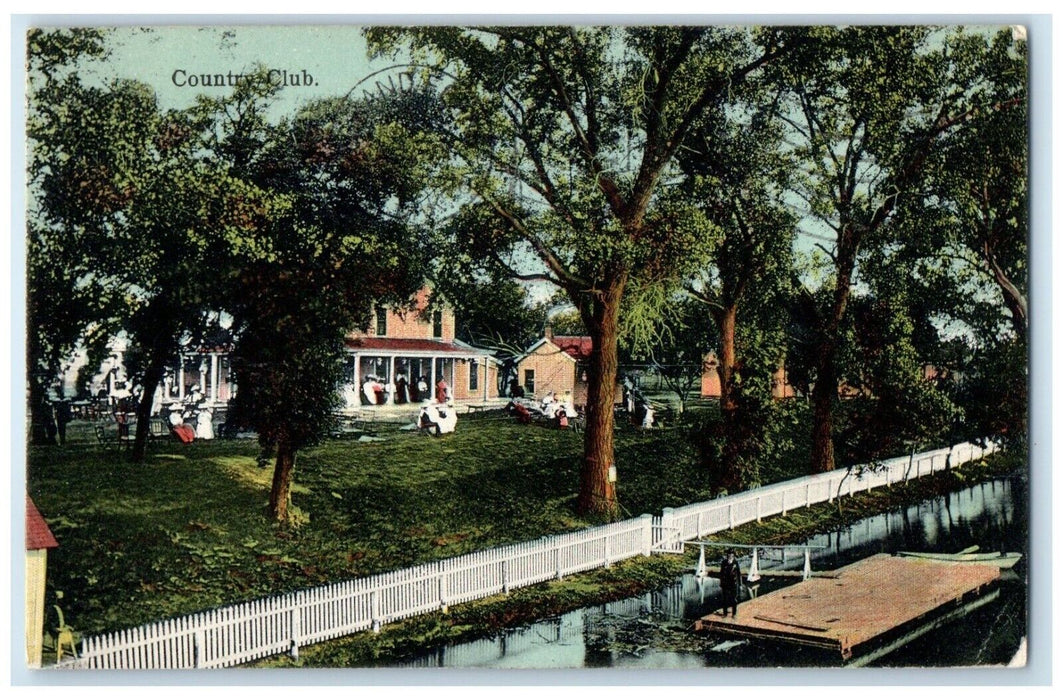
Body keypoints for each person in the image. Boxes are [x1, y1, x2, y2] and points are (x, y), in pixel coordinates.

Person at [719, 550, 742, 617]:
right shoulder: (724, 562)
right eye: (729, 555)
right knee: (725, 599)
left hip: (733, 583)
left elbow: (738, 574)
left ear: (733, 556)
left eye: (731, 555)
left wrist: (740, 584)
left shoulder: (735, 563)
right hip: (726, 583)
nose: (730, 556)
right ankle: (725, 613)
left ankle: (734, 613)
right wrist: (721, 582)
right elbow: (721, 573)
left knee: (734, 599)